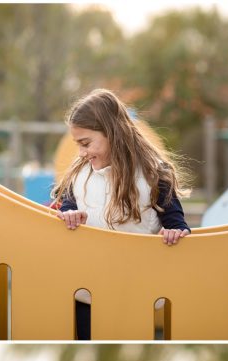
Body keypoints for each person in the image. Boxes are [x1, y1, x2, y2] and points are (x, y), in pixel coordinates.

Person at [51, 88, 191, 339]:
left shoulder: (153, 175)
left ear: (112, 133)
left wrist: (174, 231)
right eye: (78, 144)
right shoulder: (78, 174)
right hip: (87, 291)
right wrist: (69, 214)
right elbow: (67, 206)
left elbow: (176, 221)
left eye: (86, 143)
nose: (81, 152)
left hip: (135, 289)